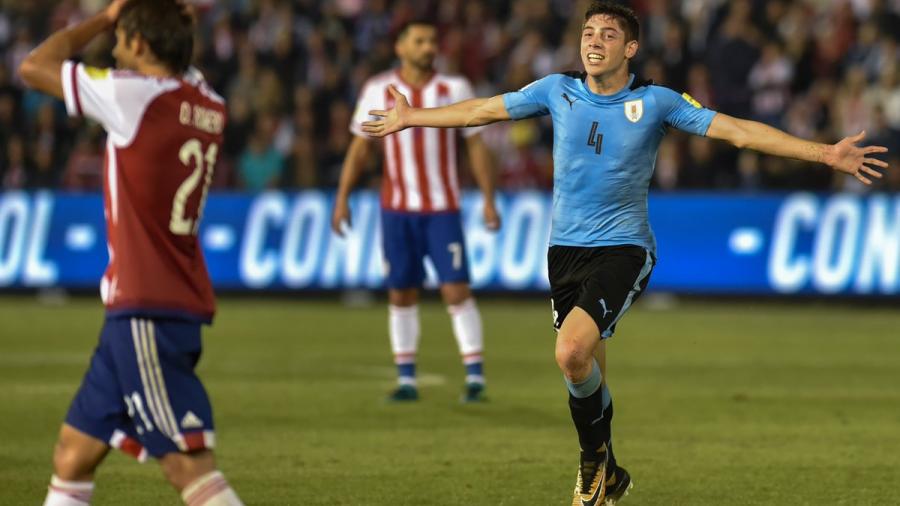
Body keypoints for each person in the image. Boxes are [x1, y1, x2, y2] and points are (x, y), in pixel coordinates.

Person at [360, 2, 889, 504]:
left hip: (624, 248)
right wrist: (413, 118)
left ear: (630, 48)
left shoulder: (656, 103)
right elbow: (481, 110)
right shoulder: (556, 90)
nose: (594, 43)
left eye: (608, 35)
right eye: (588, 34)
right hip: (563, 252)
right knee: (584, 367)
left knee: (570, 353)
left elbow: (739, 133)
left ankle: (593, 463)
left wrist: (824, 153)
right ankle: (608, 472)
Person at [18, 1, 243, 505]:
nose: (114, 52)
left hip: (145, 305)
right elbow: (183, 67)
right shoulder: (210, 102)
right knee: (73, 453)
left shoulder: (132, 95)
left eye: (120, 40)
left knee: (188, 466)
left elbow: (34, 66)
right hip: (160, 301)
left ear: (139, 43)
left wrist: (103, 16)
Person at [332, 19, 501, 403]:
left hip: (442, 207)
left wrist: (489, 197)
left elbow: (475, 146)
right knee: (401, 293)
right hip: (397, 210)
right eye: (419, 40)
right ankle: (406, 378)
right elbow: (360, 148)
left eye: (431, 40)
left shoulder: (454, 88)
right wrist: (342, 197)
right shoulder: (377, 88)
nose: (428, 47)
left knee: (456, 289)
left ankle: (475, 376)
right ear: (400, 48)